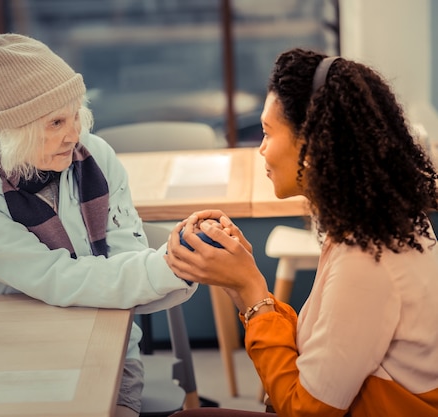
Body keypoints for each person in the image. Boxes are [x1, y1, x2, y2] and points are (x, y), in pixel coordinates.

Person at [0, 33, 197, 417]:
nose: (74, 135)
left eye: (75, 115)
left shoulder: (96, 157)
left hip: (111, 349)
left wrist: (177, 263)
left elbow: (130, 261)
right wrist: (166, 265)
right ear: (12, 128)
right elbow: (52, 276)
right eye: (56, 122)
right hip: (9, 358)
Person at [166, 48, 438, 417]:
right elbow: (321, 345)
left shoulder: (367, 259)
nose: (261, 148)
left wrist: (251, 292)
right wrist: (239, 278)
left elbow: (305, 410)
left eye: (266, 132)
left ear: (314, 145)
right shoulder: (374, 225)